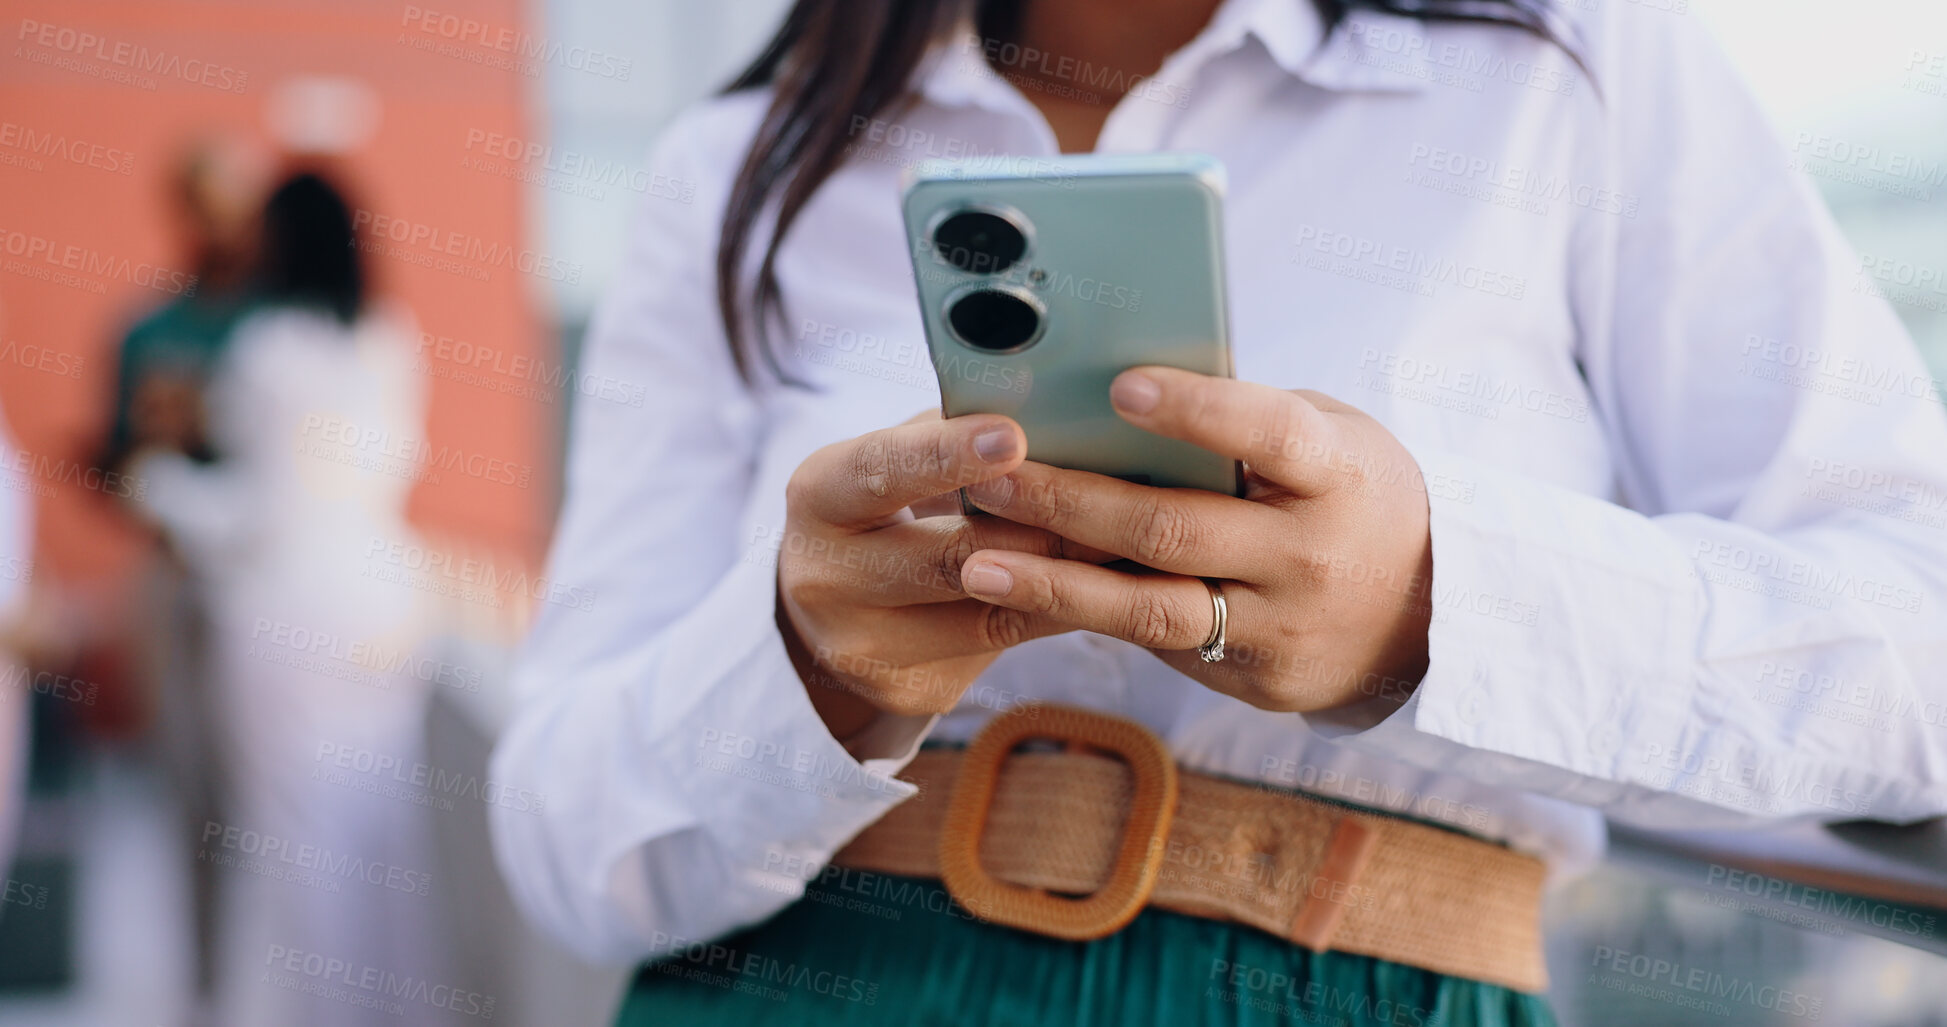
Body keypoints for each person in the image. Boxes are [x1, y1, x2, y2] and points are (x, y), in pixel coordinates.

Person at [490, 0, 1947, 1024]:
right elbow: (561, 835)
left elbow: (1914, 644)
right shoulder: (741, 161)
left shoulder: (1570, 63)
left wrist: (1430, 607)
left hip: (1375, 983)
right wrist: (807, 666)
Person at [128, 172, 453, 1026]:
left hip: (288, 607)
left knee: (295, 843)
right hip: (387, 594)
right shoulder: (391, 336)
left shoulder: (266, 346)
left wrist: (158, 485)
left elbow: (259, 516)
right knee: (386, 837)